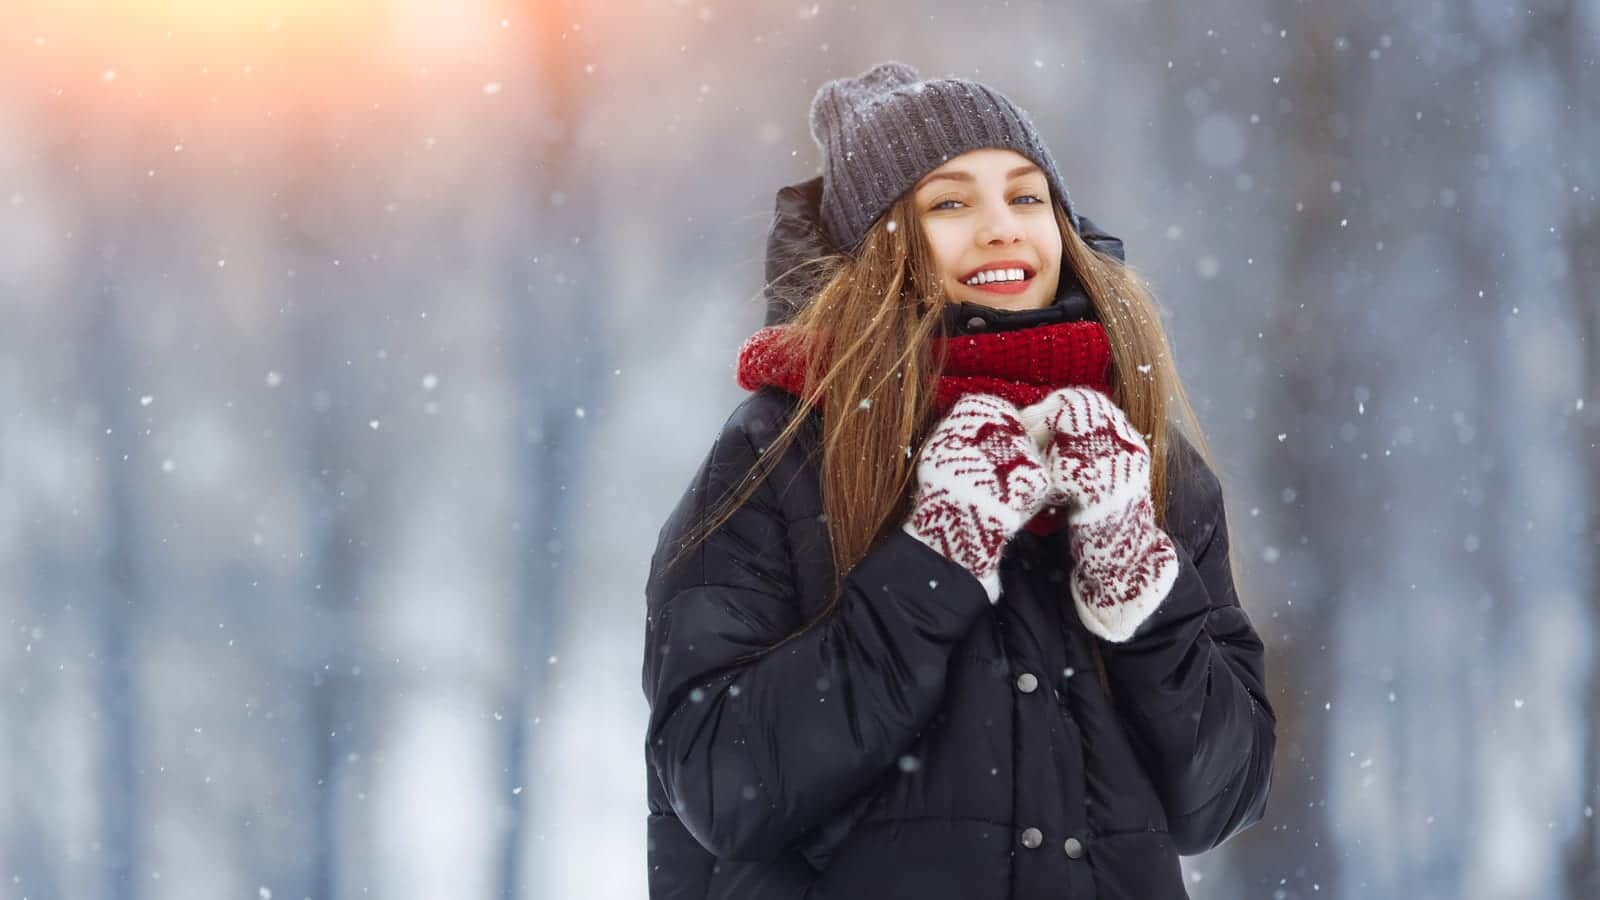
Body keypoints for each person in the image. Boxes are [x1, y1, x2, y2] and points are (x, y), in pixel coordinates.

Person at [641, 61, 1275, 900]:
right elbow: (719, 785)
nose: (1002, 228)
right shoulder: (779, 450)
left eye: (1026, 196)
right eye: (949, 203)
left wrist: (1139, 582)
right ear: (879, 247)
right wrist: (934, 560)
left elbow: (1221, 797)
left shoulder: (1142, 456)